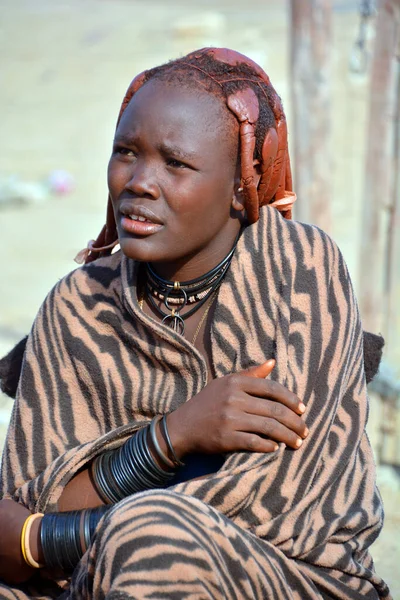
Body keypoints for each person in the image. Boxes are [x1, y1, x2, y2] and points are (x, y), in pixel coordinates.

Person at [0, 47, 391, 599]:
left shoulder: (298, 270)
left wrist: (46, 540)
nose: (139, 181)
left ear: (241, 184)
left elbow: (290, 507)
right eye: (125, 153)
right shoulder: (79, 306)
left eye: (176, 163)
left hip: (297, 579)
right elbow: (19, 514)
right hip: (92, 584)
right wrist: (173, 436)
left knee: (151, 544)